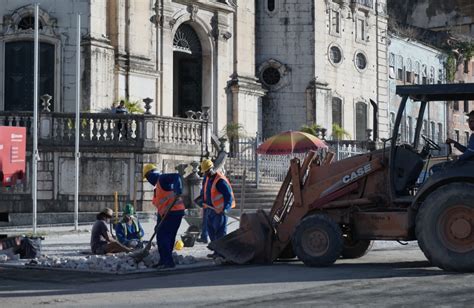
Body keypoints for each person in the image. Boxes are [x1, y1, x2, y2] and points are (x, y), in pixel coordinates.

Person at [143, 163, 185, 269]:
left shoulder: (162, 179)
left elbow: (176, 176)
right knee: (166, 236)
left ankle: (167, 261)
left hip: (173, 212)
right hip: (170, 213)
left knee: (163, 237)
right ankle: (165, 260)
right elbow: (162, 207)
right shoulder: (158, 185)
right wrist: (158, 223)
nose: (148, 180)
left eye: (147, 177)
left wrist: (178, 189)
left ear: (150, 174)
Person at [199, 159, 235, 256]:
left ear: (210, 170)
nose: (205, 174)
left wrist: (225, 209)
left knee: (220, 232)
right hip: (210, 209)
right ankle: (217, 251)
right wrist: (202, 201)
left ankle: (222, 253)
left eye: (205, 172)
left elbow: (229, 197)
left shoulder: (220, 181)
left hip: (220, 211)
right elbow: (205, 193)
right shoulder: (208, 179)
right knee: (211, 231)